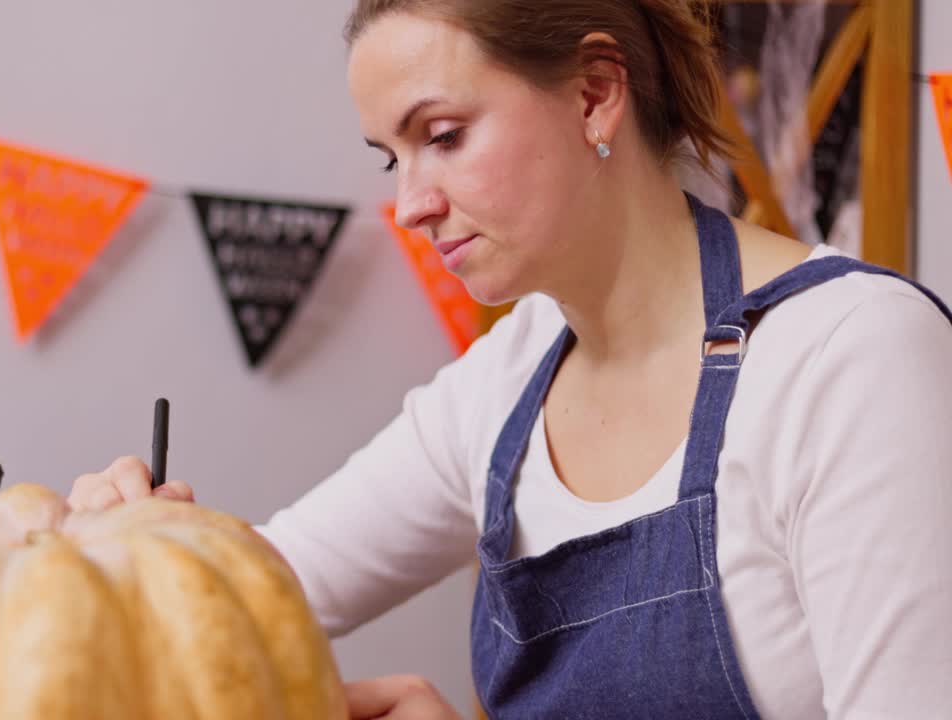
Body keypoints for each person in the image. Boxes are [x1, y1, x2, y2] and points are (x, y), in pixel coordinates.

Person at [71, 1, 952, 717]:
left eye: (443, 136)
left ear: (595, 94)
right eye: (393, 157)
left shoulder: (851, 359)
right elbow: (249, 598)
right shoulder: (510, 375)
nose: (411, 204)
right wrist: (127, 549)